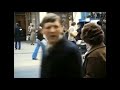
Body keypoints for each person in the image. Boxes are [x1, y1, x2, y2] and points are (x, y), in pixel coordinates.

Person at [40, 13, 82, 78]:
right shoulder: (46, 48)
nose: (52, 30)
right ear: (42, 30)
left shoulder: (71, 50)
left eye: (56, 27)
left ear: (61, 29)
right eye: (48, 27)